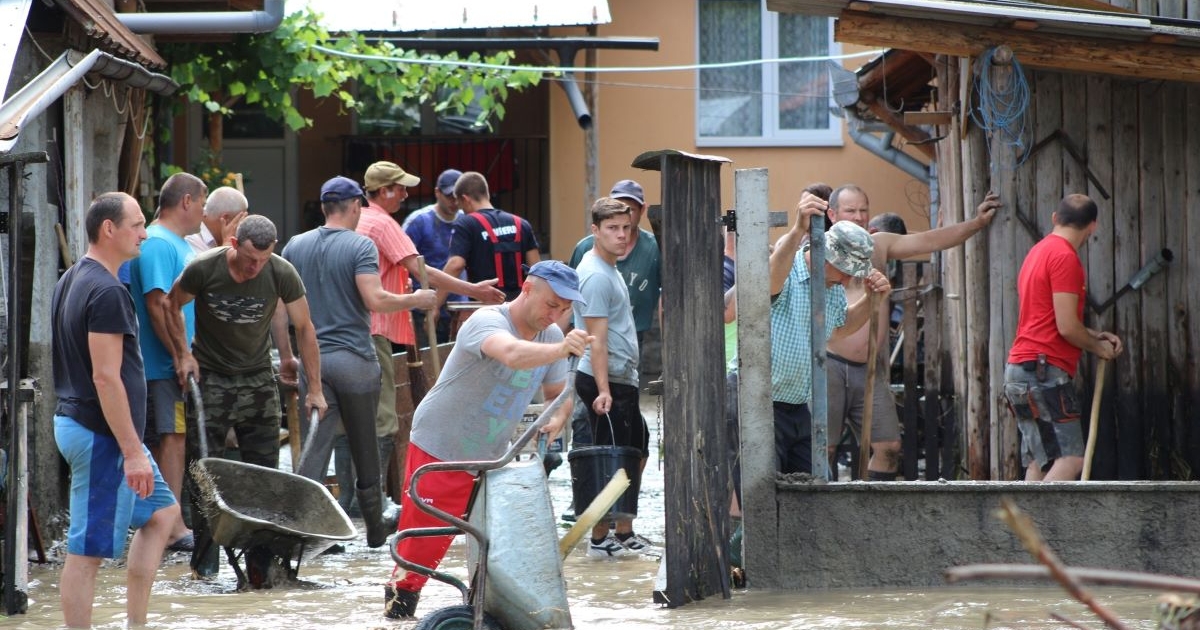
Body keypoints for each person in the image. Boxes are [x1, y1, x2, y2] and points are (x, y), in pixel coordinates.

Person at [384, 261, 591, 619]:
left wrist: (558, 417)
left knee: (495, 543)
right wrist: (560, 351)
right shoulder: (486, 322)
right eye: (551, 304)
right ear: (527, 289)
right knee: (419, 552)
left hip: (490, 455)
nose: (556, 315)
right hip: (442, 446)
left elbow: (559, 392)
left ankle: (482, 613)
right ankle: (396, 617)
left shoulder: (553, 335)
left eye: (565, 309)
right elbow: (512, 354)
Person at [164, 215, 328, 577]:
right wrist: (183, 355)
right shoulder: (204, 268)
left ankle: (261, 563)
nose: (256, 267)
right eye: (250, 258)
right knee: (203, 470)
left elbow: (305, 327)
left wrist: (313, 388)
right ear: (235, 243)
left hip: (257, 380)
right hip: (212, 377)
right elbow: (170, 305)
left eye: (263, 259)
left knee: (265, 473)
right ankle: (204, 564)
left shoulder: (280, 272)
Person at [282, 176, 438, 547]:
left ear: (323, 207)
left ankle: (295, 529)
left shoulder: (294, 246)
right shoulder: (360, 245)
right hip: (354, 360)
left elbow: (280, 307)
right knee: (365, 443)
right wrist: (416, 300)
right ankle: (374, 530)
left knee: (315, 446)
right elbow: (375, 299)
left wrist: (287, 353)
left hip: (314, 362)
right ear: (355, 206)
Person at [52, 192, 179, 628]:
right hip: (101, 434)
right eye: (137, 224)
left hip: (92, 426)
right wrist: (131, 451)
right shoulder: (106, 290)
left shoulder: (72, 278)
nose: (145, 233)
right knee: (86, 552)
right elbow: (106, 377)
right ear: (110, 229)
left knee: (162, 515)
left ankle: (136, 625)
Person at [353, 162, 503, 519]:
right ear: (384, 190)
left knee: (359, 419)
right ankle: (376, 504)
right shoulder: (384, 223)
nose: (405, 194)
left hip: (362, 328)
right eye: (400, 188)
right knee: (384, 419)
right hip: (380, 326)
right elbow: (422, 270)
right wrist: (470, 289)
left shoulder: (359, 221)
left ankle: (363, 502)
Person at [824, 185, 999, 479]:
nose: (858, 217)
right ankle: (820, 517)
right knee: (824, 450)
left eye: (863, 210)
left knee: (889, 447)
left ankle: (871, 515)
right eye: (850, 210)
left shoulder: (878, 245)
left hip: (870, 367)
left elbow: (928, 241)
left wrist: (976, 223)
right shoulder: (820, 251)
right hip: (828, 364)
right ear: (832, 214)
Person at [767, 191, 891, 474]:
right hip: (762, 403)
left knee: (815, 484)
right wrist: (799, 228)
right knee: (764, 489)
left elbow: (841, 328)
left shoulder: (831, 288)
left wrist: (871, 300)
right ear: (824, 253)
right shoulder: (787, 271)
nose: (848, 279)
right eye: (844, 270)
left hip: (798, 404)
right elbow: (770, 281)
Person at [1004, 194, 1122, 481]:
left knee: (1039, 462)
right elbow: (1067, 326)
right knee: (1069, 460)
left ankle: (1024, 527)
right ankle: (1041, 528)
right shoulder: (1065, 257)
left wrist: (1094, 334)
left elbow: (1046, 316)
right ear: (1092, 227)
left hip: (1020, 370)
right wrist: (1097, 348)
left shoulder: (1038, 251)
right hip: (1042, 371)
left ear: (1055, 217)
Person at [127, 173, 206, 553]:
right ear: (187, 202)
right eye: (203, 205)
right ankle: (171, 526)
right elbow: (158, 304)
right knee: (171, 440)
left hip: (171, 360)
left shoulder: (174, 242)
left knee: (174, 439)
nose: (204, 214)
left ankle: (170, 520)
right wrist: (180, 355)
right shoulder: (158, 243)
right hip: (161, 365)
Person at [572, 198, 654, 557]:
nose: (622, 236)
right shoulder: (593, 274)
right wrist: (604, 390)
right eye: (612, 229)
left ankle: (622, 532)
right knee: (610, 459)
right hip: (604, 381)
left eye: (626, 228)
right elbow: (596, 341)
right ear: (595, 231)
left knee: (635, 448)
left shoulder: (609, 267)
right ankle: (600, 540)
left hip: (621, 378)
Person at [443, 171, 541, 302]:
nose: (463, 212)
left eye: (461, 206)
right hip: (519, 307)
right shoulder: (521, 224)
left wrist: (436, 303)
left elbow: (455, 265)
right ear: (487, 194)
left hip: (484, 309)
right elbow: (537, 270)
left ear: (465, 199)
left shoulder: (466, 224)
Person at [403, 168, 466, 346]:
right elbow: (402, 263)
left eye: (458, 197)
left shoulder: (466, 219)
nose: (454, 202)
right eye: (449, 196)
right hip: (424, 306)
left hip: (459, 305)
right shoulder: (418, 221)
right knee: (427, 361)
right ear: (437, 192)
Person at [185, 186, 248, 255]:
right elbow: (209, 266)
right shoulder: (190, 238)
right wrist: (227, 244)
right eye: (240, 222)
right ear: (226, 219)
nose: (241, 229)